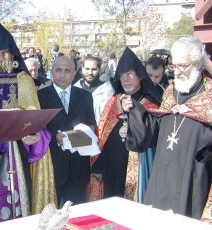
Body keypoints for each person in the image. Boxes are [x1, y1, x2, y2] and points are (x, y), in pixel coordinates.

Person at [121, 36, 212, 221]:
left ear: (197, 64)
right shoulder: (171, 91)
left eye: (183, 66)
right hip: (162, 170)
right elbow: (157, 127)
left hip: (193, 172)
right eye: (174, 65)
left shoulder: (209, 94)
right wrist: (135, 110)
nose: (177, 72)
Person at [0, 22, 56, 219]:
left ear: (12, 54)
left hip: (17, 150)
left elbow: (33, 113)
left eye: (3, 53)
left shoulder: (23, 79)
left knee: (17, 201)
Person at [87, 47, 161, 202]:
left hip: (139, 170)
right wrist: (98, 166)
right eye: (122, 75)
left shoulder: (152, 103)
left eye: (130, 74)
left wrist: (134, 110)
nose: (126, 79)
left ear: (140, 76)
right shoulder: (113, 101)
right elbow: (102, 136)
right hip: (111, 169)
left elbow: (150, 136)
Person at [38, 56, 96, 206]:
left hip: (78, 166)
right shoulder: (41, 96)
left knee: (76, 213)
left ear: (74, 73)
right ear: (51, 72)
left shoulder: (85, 96)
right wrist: (55, 138)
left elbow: (92, 126)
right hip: (52, 166)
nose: (62, 74)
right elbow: (37, 130)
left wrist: (78, 136)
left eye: (67, 71)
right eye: (58, 70)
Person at [74, 55, 114, 124]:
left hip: (100, 132)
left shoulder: (108, 91)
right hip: (78, 132)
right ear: (82, 69)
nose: (90, 73)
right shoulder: (74, 89)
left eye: (94, 69)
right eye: (87, 69)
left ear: (100, 70)